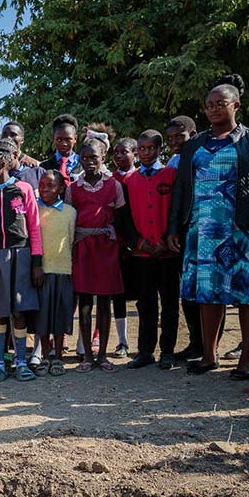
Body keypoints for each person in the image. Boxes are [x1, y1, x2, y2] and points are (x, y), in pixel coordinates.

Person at [167, 78, 249, 380]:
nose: (213, 109)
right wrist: (175, 226)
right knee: (207, 293)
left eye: (220, 103)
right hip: (201, 231)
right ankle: (209, 355)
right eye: (209, 105)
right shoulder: (194, 145)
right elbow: (181, 188)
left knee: (247, 293)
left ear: (236, 105)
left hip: (242, 230)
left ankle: (246, 360)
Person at [0, 140, 43, 383]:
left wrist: (36, 262)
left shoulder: (23, 189)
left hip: (21, 256)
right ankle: (0, 364)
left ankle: (21, 361)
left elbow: (34, 227)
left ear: (2, 163)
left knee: (19, 311)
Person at [120, 131, 180, 370]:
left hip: (167, 252)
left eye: (150, 149)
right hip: (142, 253)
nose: (145, 153)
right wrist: (138, 242)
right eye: (141, 149)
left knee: (169, 303)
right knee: (145, 303)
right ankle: (145, 351)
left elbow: (177, 209)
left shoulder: (171, 175)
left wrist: (166, 240)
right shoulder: (129, 180)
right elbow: (124, 217)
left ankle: (167, 351)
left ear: (159, 149)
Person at [66, 137, 126, 372]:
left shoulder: (114, 185)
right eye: (85, 157)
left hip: (107, 247)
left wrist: (120, 244)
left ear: (103, 158)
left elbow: (121, 219)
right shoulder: (73, 188)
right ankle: (87, 357)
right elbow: (70, 220)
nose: (89, 161)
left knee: (104, 302)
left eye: (94, 157)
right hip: (83, 247)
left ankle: (102, 356)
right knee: (84, 303)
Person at [164, 115, 203, 363]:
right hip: (182, 231)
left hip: (203, 229)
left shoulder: (202, 155)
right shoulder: (174, 161)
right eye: (170, 138)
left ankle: (208, 345)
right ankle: (195, 342)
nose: (175, 141)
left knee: (205, 292)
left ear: (193, 133)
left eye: (180, 136)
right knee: (187, 292)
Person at [33, 170, 76, 376]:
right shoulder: (34, 209)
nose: (44, 189)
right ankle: (44, 355)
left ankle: (58, 357)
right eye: (41, 185)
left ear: (60, 188)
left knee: (60, 315)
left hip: (63, 270)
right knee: (42, 317)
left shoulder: (70, 212)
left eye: (50, 186)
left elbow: (71, 240)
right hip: (42, 270)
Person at [110, 136, 138, 358]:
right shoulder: (111, 180)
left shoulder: (140, 178)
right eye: (115, 153)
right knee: (118, 295)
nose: (119, 156)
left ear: (134, 153)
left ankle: (148, 346)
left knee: (145, 296)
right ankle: (123, 342)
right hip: (116, 245)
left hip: (142, 245)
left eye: (124, 152)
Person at [1, 122, 44, 193]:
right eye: (4, 134)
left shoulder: (35, 167)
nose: (8, 138)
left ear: (22, 140)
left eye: (13, 135)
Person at [40, 114, 82, 183]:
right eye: (59, 139)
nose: (64, 144)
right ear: (53, 138)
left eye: (68, 139)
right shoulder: (44, 167)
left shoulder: (84, 164)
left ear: (75, 139)